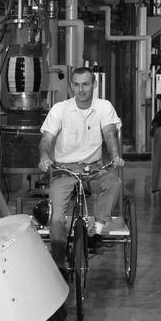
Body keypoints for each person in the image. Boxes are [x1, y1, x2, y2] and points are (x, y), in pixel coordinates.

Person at [38, 66, 125, 264]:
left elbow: (110, 133)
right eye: (76, 85)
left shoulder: (104, 107)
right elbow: (46, 140)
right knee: (57, 218)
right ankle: (59, 262)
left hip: (94, 169)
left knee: (114, 183)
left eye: (86, 84)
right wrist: (44, 156)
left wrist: (115, 155)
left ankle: (97, 233)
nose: (81, 89)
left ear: (94, 85)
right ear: (71, 87)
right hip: (64, 171)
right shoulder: (60, 109)